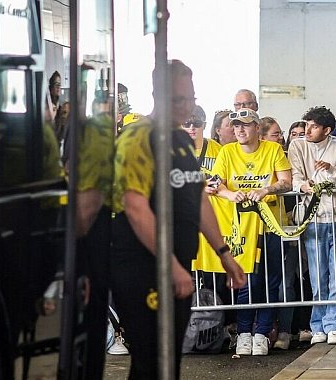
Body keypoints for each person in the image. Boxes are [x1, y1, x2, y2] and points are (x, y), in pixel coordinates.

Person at [110, 60, 244, 378]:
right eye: (178, 99)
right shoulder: (138, 138)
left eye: (191, 98)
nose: (187, 107)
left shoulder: (182, 142)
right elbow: (136, 207)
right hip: (142, 267)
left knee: (168, 362)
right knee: (151, 360)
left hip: (178, 263)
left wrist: (225, 254)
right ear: (157, 95)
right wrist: (170, 266)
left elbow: (196, 198)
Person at [213, 108, 294, 357]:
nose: (240, 129)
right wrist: (230, 194)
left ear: (257, 128)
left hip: (270, 225)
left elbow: (287, 181)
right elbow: (215, 183)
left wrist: (266, 190)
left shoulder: (272, 149)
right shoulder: (227, 152)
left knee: (271, 281)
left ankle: (262, 332)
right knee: (245, 281)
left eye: (245, 125)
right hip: (241, 230)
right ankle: (244, 333)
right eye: (236, 125)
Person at [287, 106, 336, 346]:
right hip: (312, 216)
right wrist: (305, 186)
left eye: (314, 126)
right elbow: (295, 177)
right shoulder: (297, 146)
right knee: (317, 275)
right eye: (306, 125)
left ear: (327, 130)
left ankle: (335, 325)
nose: (307, 130)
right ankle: (318, 325)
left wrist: (332, 172)